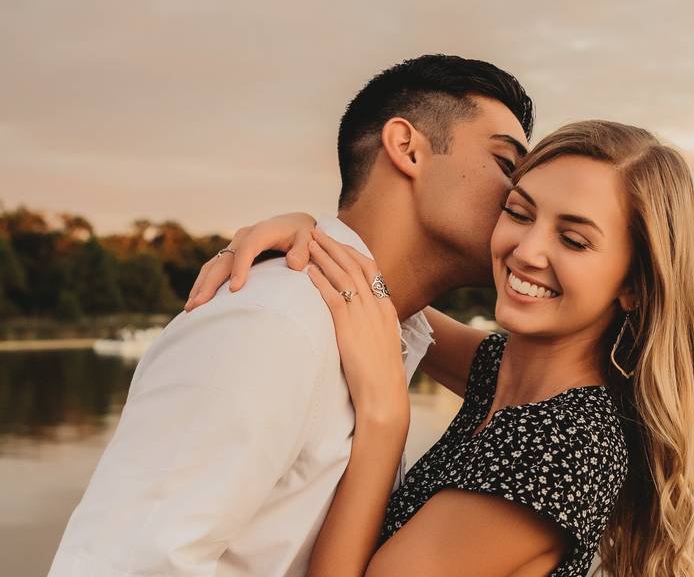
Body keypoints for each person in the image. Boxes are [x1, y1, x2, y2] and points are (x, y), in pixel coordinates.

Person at [48, 54, 535, 577]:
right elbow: (122, 564)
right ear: (407, 148)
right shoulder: (272, 320)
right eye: (507, 165)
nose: (523, 198)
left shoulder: (385, 327)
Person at [210, 121, 694, 576]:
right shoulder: (504, 373)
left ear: (634, 285)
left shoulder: (559, 446)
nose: (527, 250)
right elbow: (383, 300)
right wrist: (313, 240)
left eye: (575, 240)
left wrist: (383, 422)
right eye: (519, 212)